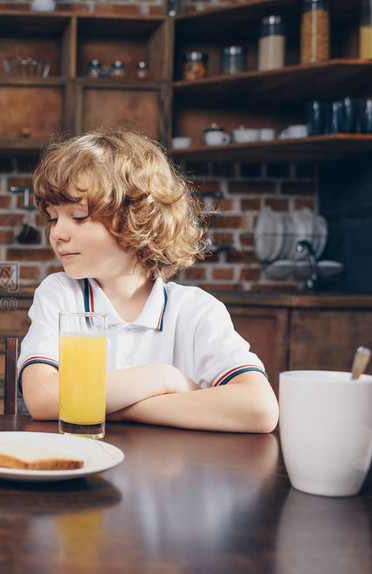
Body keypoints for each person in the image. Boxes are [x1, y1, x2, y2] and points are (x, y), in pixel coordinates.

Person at [18, 130, 279, 433]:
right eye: (53, 218)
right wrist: (164, 379)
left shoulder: (195, 311)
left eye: (78, 216)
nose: (57, 233)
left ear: (137, 219)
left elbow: (258, 409)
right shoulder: (60, 293)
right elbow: (42, 396)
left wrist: (120, 409)